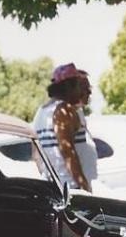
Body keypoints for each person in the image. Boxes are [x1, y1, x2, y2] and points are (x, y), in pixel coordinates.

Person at [33, 63, 97, 192]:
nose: (81, 91)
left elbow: (36, 155)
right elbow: (68, 153)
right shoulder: (64, 110)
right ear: (69, 87)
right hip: (71, 187)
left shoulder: (41, 112)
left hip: (54, 186)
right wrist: (84, 188)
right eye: (78, 85)